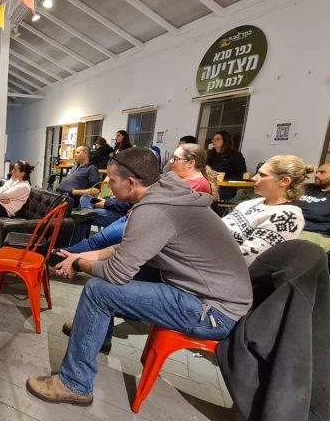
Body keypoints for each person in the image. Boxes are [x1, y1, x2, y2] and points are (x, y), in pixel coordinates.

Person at [26, 148, 252, 406]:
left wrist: (77, 263)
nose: (108, 186)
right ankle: (98, 335)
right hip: (207, 295)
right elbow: (128, 249)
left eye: (112, 180)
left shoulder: (153, 211)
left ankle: (74, 383)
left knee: (98, 291)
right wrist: (83, 256)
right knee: (115, 276)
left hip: (213, 311)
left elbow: (116, 272)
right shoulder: (164, 193)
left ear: (131, 182)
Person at [61, 144, 214, 255]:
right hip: (134, 215)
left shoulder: (196, 185)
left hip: (141, 221)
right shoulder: (177, 180)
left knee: (93, 235)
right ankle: (64, 254)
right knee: (90, 229)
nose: (171, 162)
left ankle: (60, 255)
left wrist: (109, 203)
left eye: (176, 159)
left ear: (191, 163)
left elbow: (160, 206)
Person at [221, 155, 312, 265]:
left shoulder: (287, 217)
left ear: (284, 181)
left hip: (226, 267)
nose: (254, 178)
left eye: (262, 175)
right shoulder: (250, 203)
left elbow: (248, 259)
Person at [206, 130, 247, 200]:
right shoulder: (209, 154)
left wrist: (225, 180)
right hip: (210, 184)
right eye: (213, 139)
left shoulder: (235, 155)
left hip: (226, 187)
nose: (213, 141)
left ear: (225, 141)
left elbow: (242, 174)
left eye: (217, 139)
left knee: (210, 196)